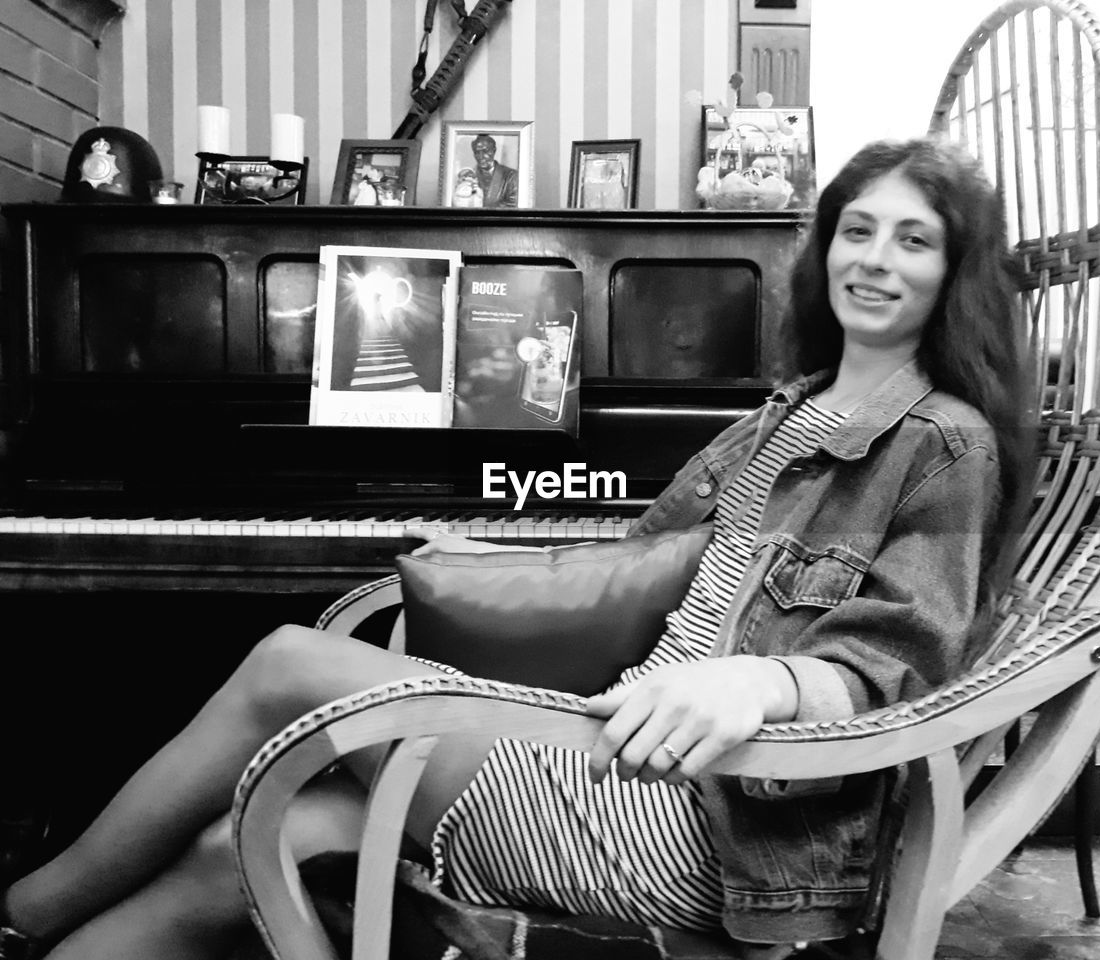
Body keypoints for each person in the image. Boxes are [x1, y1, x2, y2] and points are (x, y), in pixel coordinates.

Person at [0, 137, 1031, 959]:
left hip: (699, 807)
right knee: (240, 844)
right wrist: (483, 557)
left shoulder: (944, 443)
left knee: (284, 666)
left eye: (912, 240)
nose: (874, 260)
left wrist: (761, 683)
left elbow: (899, 659)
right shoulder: (781, 415)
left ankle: (22, 907)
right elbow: (632, 565)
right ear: (826, 249)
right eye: (857, 231)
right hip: (605, 742)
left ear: (953, 272)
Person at [469, 134, 519, 208]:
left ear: (494, 151)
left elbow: (513, 204)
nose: (480, 156)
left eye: (485, 151)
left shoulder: (511, 176)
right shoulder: (470, 176)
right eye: (477, 152)